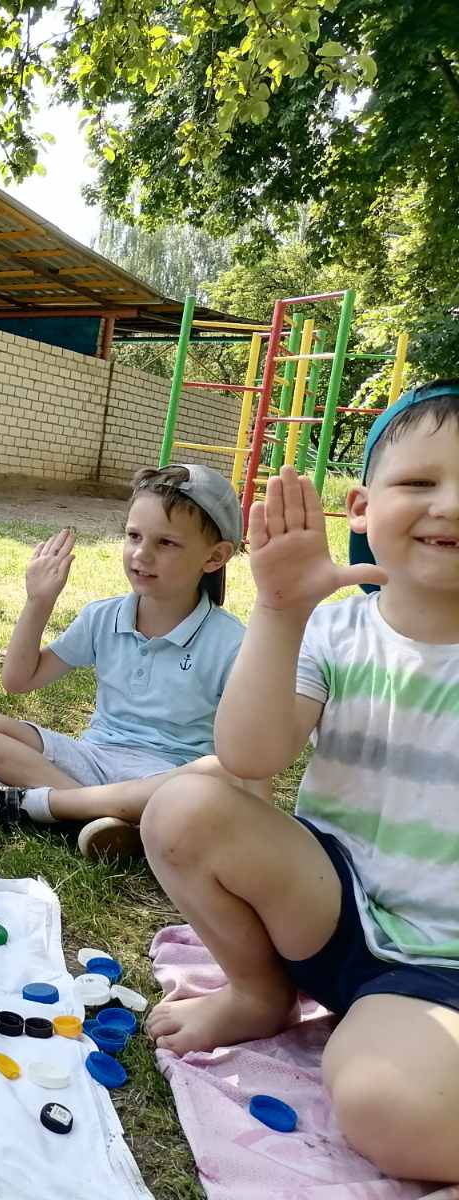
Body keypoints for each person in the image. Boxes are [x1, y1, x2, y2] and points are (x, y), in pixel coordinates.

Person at [143, 382, 459, 1183]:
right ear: (360, 507)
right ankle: (258, 992)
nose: (449, 507)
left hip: (439, 969)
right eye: (421, 484)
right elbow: (251, 758)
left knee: (389, 1108)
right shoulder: (339, 623)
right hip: (333, 907)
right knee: (182, 807)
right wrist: (278, 611)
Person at [0, 464, 248, 859]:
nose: (142, 554)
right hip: (90, 760)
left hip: (167, 779)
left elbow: (241, 754)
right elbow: (18, 680)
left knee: (220, 773)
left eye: (166, 543)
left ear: (215, 556)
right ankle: (96, 816)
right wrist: (39, 602)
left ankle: (46, 806)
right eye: (134, 536)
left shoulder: (232, 641)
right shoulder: (102, 617)